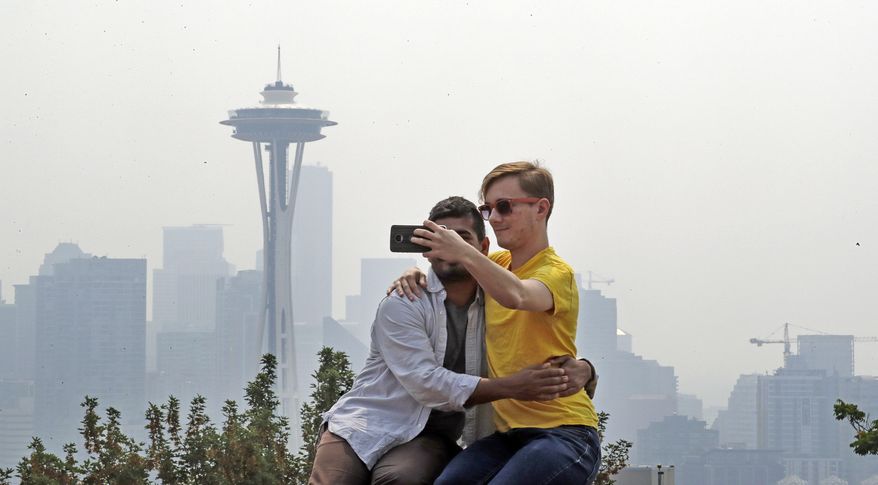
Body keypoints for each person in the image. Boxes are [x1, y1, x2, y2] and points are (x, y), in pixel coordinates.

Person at [309, 196, 593, 485]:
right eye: (442, 237)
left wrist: (585, 370)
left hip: (431, 436)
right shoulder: (404, 302)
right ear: (427, 249)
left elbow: (534, 341)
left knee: (400, 480)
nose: (450, 246)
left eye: (461, 238)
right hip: (363, 425)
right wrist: (510, 387)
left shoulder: (500, 301)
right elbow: (426, 383)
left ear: (483, 248)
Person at [401, 162, 601, 484]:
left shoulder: (555, 273)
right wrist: (414, 274)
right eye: (488, 209)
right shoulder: (497, 263)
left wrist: (464, 253)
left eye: (505, 207)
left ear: (541, 208)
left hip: (565, 433)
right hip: (507, 437)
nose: (494, 219)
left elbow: (518, 295)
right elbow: (454, 275)